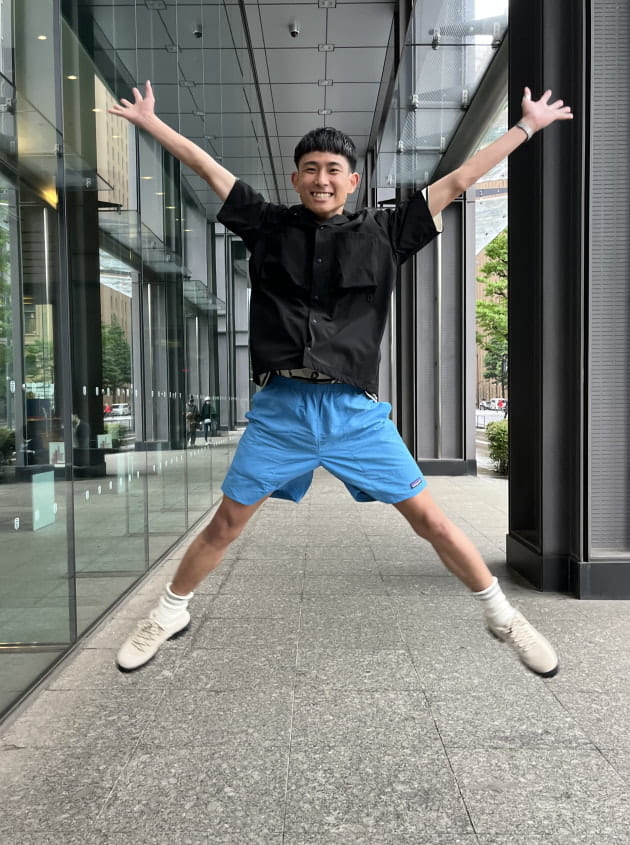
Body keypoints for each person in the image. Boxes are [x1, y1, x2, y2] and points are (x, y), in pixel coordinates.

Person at [110, 81, 572, 675]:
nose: (321, 179)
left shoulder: (386, 232)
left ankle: (503, 616)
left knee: (431, 520)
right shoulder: (267, 225)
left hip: (354, 413)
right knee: (226, 522)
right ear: (296, 178)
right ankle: (169, 612)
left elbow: (459, 180)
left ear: (352, 181)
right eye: (310, 169)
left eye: (333, 170)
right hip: (281, 410)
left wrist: (527, 126)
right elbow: (207, 168)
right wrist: (151, 123)